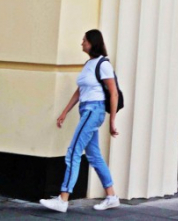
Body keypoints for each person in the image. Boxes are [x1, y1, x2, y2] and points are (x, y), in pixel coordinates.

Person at [40, 30, 120, 212]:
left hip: (94, 110)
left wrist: (112, 121)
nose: (82, 43)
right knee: (94, 155)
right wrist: (65, 112)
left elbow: (113, 92)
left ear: (93, 43)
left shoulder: (103, 64)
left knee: (73, 151)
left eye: (85, 40)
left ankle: (63, 199)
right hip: (86, 110)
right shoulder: (89, 64)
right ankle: (111, 196)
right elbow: (80, 91)